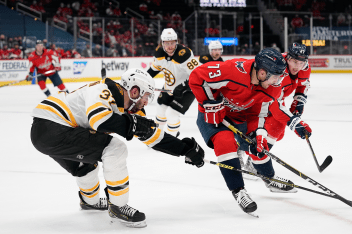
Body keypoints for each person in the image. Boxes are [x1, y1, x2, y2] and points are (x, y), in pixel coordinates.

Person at [30, 68, 205, 228]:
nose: (146, 102)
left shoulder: (131, 107)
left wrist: (184, 149)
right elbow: (99, 121)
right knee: (115, 148)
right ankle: (118, 206)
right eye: (146, 96)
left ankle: (89, 201)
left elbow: (151, 135)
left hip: (49, 133)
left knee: (86, 163)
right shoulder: (103, 90)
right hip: (52, 127)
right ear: (134, 90)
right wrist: (133, 125)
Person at [189, 48, 300, 217]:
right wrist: (209, 102)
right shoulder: (232, 70)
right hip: (214, 115)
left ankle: (270, 178)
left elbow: (261, 113)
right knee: (225, 143)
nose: (278, 81)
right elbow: (197, 76)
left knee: (259, 145)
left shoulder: (272, 87)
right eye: (275, 76)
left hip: (241, 115)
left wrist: (259, 134)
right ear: (262, 73)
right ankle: (239, 191)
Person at [240, 42, 312, 180]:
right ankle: (242, 149)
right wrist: (293, 122)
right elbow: (273, 102)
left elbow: (303, 85)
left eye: (301, 63)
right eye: (294, 61)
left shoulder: (305, 67)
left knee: (277, 128)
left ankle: (254, 160)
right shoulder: (277, 68)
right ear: (288, 58)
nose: (297, 66)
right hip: (258, 98)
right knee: (254, 127)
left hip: (276, 98)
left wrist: (299, 102)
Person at [147, 28, 200, 137]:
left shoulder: (184, 54)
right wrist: (143, 79)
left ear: (176, 42)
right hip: (168, 87)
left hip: (187, 90)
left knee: (172, 113)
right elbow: (154, 69)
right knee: (160, 110)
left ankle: (172, 137)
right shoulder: (159, 53)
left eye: (172, 43)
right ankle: (157, 136)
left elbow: (197, 74)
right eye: (167, 43)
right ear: (162, 43)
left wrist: (183, 87)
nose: (170, 46)